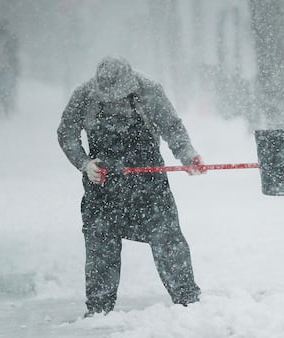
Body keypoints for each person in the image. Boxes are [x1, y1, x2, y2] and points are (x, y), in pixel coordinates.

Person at [57, 57, 205, 317]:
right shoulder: (83, 95)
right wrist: (84, 163)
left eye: (120, 98)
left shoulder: (150, 90)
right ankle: (99, 309)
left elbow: (172, 127)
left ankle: (188, 301)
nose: (115, 104)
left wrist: (188, 155)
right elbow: (66, 133)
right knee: (100, 248)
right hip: (103, 188)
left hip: (149, 186)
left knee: (168, 240)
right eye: (109, 100)